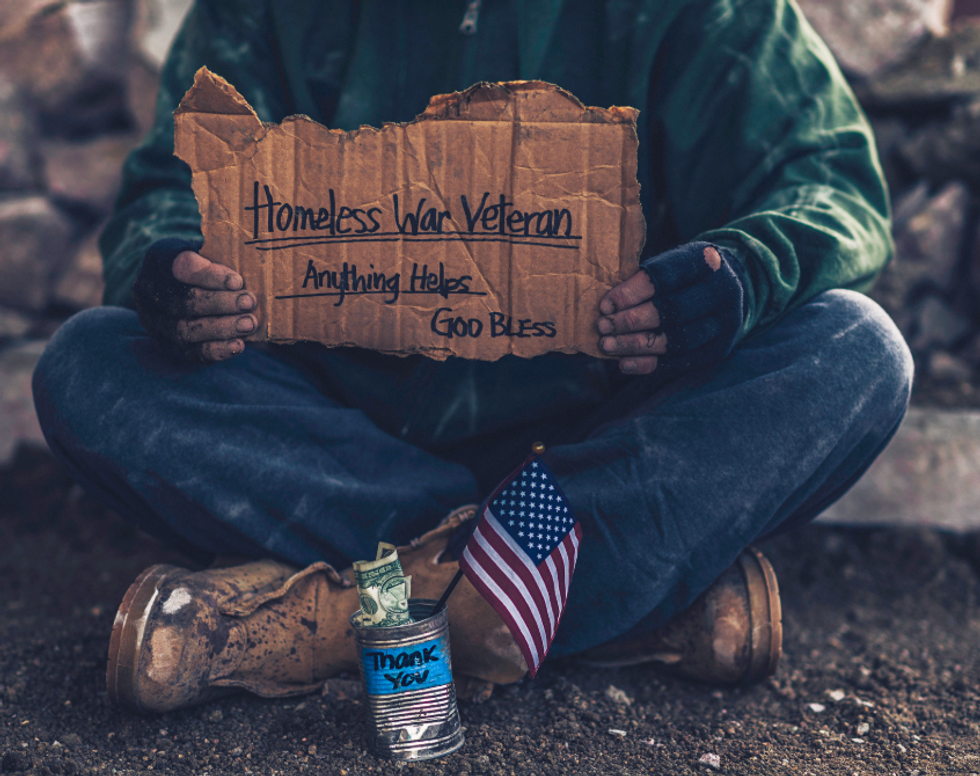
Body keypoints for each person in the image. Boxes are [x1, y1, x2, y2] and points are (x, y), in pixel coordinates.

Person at [33, 0, 914, 714]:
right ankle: (588, 602)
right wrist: (173, 277)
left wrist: (740, 275)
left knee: (856, 349)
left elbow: (829, 183)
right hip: (333, 446)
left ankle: (341, 616)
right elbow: (170, 188)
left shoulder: (702, 9)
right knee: (90, 365)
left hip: (590, 449)